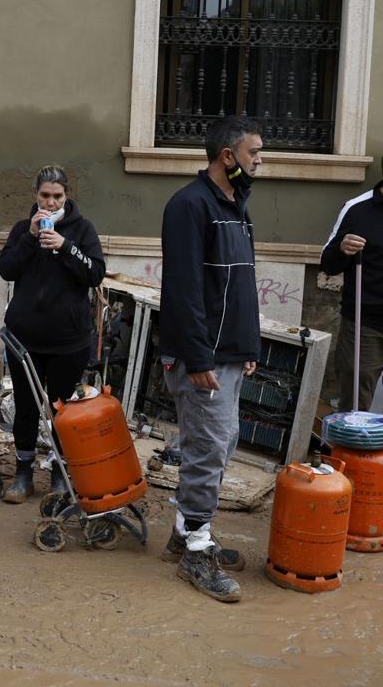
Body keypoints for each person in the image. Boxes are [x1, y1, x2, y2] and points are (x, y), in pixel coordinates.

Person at [158, 115, 263, 603]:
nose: (258, 162)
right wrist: (198, 358)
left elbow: (238, 287)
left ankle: (185, 533)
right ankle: (196, 551)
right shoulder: (189, 206)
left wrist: (246, 349)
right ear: (228, 157)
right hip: (201, 357)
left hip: (228, 355)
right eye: (253, 154)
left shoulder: (235, 206)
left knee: (219, 447)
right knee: (205, 452)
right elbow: (183, 293)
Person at [0, 165, 105, 504]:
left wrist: (66, 246)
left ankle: (60, 474)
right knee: (26, 407)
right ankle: (23, 474)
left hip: (68, 341)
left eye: (57, 196)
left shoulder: (83, 230)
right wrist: (30, 238)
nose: (51, 202)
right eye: (45, 195)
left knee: (63, 410)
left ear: (66, 196)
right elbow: (5, 269)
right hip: (24, 340)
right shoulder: (21, 230)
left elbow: (95, 273)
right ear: (36, 196)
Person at [319, 175, 383, 414]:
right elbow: (328, 263)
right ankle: (349, 450)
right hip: (364, 324)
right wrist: (342, 249)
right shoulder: (357, 208)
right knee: (356, 403)